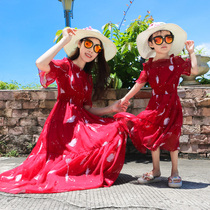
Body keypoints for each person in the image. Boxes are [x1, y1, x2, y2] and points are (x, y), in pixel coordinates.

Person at [0, 27, 128, 194]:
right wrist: (64, 40)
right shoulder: (65, 66)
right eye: (88, 44)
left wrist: (111, 108)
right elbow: (40, 63)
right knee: (57, 163)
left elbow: (87, 108)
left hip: (81, 123)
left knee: (118, 126)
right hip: (62, 123)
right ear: (80, 44)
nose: (91, 50)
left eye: (97, 48)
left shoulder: (87, 78)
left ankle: (84, 170)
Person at [115, 22, 198, 187]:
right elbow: (138, 84)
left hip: (172, 104)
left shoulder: (177, 61)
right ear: (151, 44)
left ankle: (175, 171)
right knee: (152, 133)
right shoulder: (149, 65)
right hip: (155, 105)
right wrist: (124, 99)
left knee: (173, 135)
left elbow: (194, 71)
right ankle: (156, 170)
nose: (164, 42)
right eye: (158, 39)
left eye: (168, 38)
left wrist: (191, 53)